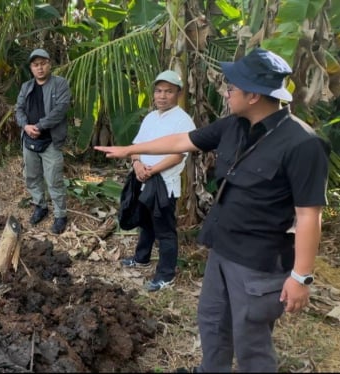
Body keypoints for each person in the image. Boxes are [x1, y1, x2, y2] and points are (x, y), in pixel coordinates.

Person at [95, 48, 329, 372]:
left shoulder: (303, 144)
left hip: (259, 262)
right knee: (213, 321)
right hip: (221, 250)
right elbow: (182, 141)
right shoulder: (232, 125)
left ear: (253, 96)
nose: (225, 91)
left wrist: (301, 276)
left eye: (231, 87)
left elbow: (308, 215)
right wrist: (130, 150)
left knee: (251, 343)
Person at [120, 70, 196, 292]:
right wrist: (137, 164)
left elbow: (178, 154)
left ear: (178, 94)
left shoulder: (183, 121)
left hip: (164, 183)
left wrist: (152, 170)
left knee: (164, 229)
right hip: (143, 178)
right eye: (159, 91)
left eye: (168, 92)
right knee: (146, 223)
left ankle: (165, 275)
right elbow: (136, 146)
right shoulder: (151, 117)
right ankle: (141, 258)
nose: (162, 96)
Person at [15, 48, 71, 234]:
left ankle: (60, 215)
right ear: (31, 68)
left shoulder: (60, 84)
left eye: (43, 64)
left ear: (49, 64)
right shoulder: (26, 87)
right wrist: (25, 126)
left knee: (54, 179)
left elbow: (60, 110)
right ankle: (40, 206)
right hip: (29, 140)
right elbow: (19, 109)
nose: (40, 68)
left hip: (50, 141)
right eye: (35, 65)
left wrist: (39, 126)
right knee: (32, 176)